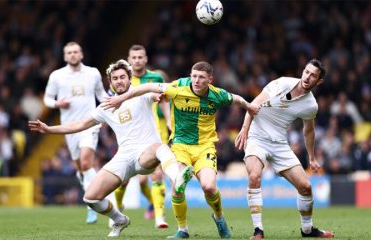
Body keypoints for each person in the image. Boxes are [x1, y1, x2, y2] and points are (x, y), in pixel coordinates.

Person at [29, 59, 193, 238]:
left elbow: (159, 93)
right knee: (90, 198)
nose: (119, 81)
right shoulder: (105, 107)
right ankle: (119, 219)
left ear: (130, 79)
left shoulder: (141, 94)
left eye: (123, 77)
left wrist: (160, 97)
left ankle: (178, 178)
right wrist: (49, 129)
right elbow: (80, 123)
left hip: (146, 153)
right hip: (124, 156)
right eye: (115, 78)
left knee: (159, 146)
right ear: (110, 82)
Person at [101, 61, 259, 239]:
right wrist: (121, 98)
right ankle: (183, 230)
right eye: (194, 76)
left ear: (210, 80)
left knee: (209, 187)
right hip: (179, 145)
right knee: (177, 187)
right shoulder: (178, 87)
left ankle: (219, 217)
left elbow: (236, 99)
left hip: (204, 147)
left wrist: (249, 107)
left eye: (201, 77)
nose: (196, 80)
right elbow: (147, 87)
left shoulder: (218, 95)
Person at [235, 59, 334, 238]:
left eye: (313, 75)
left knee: (305, 187)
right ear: (303, 71)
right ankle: (258, 230)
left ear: (318, 81)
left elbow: (309, 130)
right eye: (307, 72)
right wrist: (244, 129)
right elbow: (253, 105)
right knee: (255, 176)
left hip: (279, 143)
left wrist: (311, 158)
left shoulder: (311, 105)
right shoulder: (281, 83)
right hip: (257, 137)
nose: (308, 77)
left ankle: (307, 230)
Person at [43, 42, 108, 224]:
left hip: (89, 124)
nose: (72, 55)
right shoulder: (57, 76)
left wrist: (113, 103)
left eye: (75, 52)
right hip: (69, 127)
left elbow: (101, 95)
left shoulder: (93, 73)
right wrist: (57, 104)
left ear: (81, 54)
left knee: (87, 163)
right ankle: (92, 200)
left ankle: (97, 201)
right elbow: (47, 98)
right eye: (69, 52)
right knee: (80, 169)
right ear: (65, 56)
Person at [112, 45, 172, 228]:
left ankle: (159, 217)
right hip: (129, 136)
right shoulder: (122, 81)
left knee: (156, 175)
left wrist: (169, 121)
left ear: (146, 59)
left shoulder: (156, 78)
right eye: (134, 57)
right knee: (125, 179)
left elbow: (165, 100)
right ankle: (119, 207)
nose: (137, 60)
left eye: (140, 57)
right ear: (129, 60)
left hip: (155, 134)